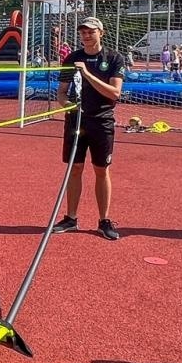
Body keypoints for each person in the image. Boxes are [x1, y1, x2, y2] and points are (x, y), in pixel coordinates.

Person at [55, 16, 128, 241]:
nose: (87, 35)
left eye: (91, 31)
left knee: (101, 170)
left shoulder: (114, 58)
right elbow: (61, 93)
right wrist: (68, 105)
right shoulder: (72, 58)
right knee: (74, 168)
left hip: (102, 121)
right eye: (83, 32)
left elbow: (115, 93)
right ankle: (71, 218)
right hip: (76, 121)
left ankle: (104, 220)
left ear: (101, 33)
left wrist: (87, 74)